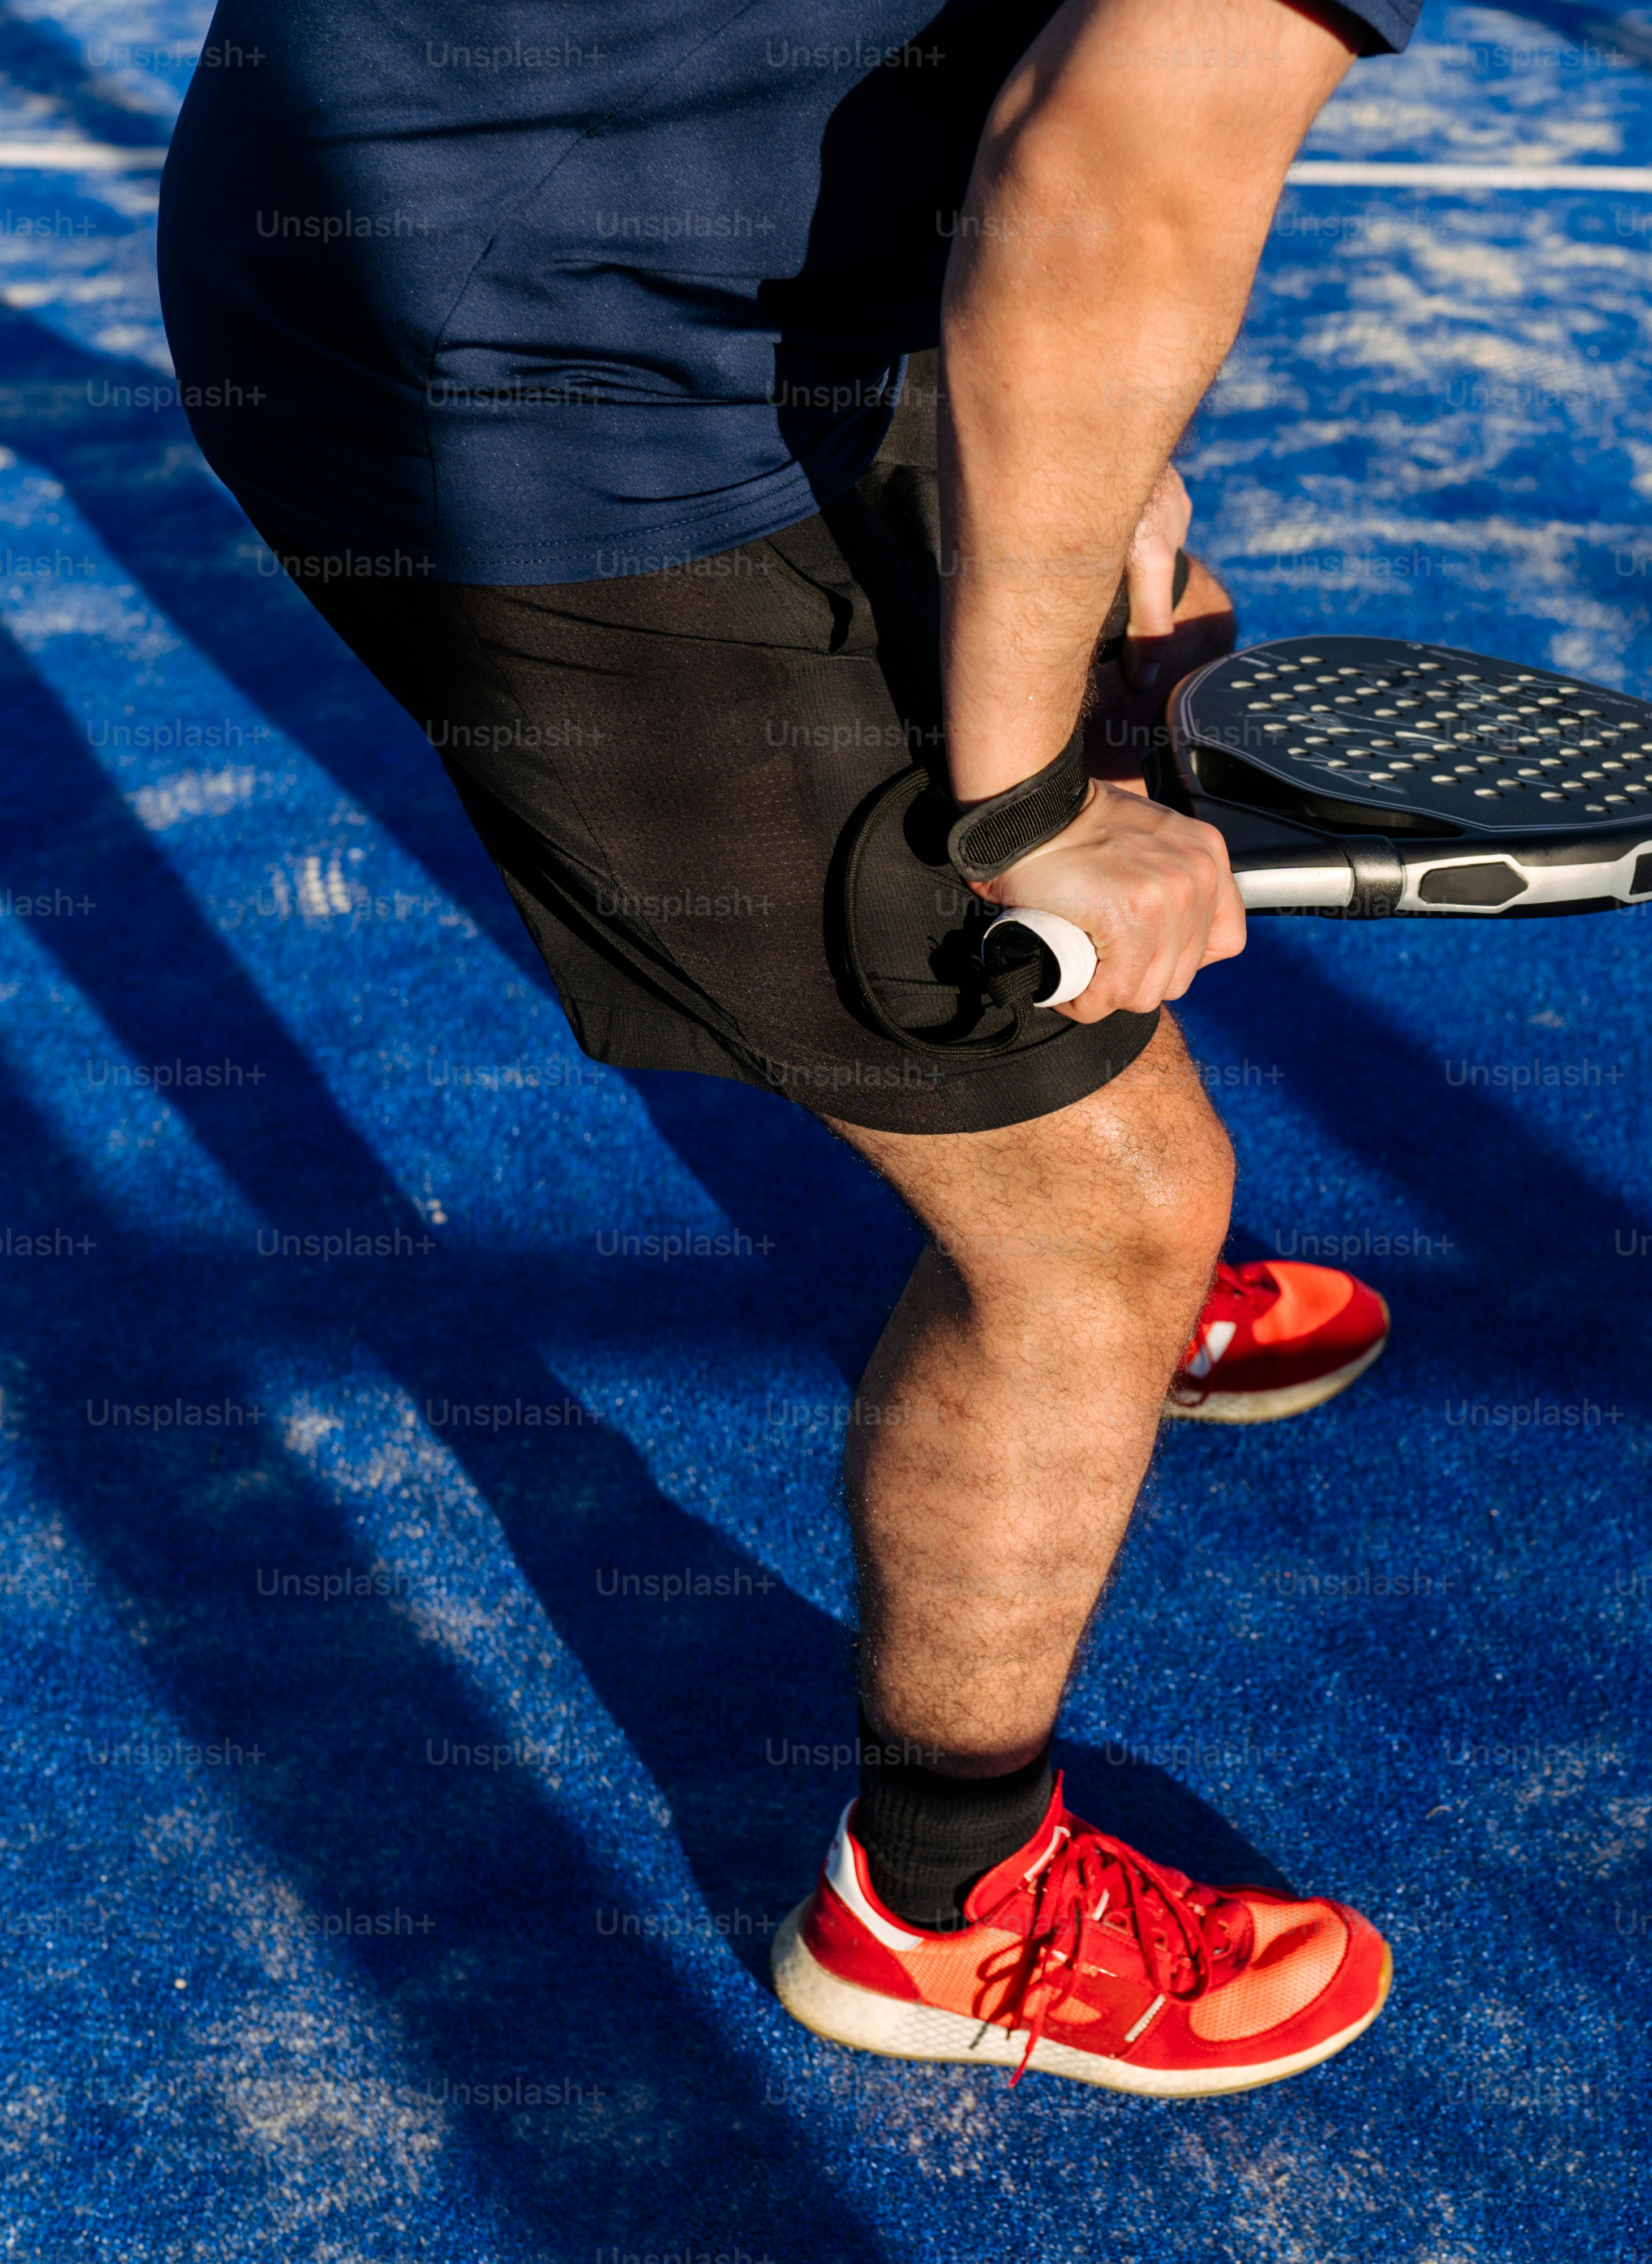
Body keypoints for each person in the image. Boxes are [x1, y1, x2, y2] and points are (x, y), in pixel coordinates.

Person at [158, 0, 1419, 2093]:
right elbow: (1113, 178)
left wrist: (1097, 472)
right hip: (555, 354)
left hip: (535, 198)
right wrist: (1018, 813)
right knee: (1107, 1215)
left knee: (1104, 647)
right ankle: (943, 1904)